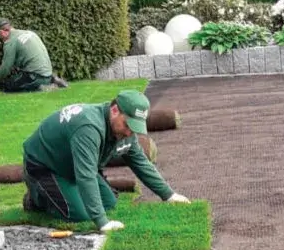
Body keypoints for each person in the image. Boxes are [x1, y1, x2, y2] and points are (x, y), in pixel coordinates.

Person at [21, 90, 190, 232]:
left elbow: (141, 163)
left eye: (135, 127)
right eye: (127, 125)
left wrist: (169, 195)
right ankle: (36, 198)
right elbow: (86, 175)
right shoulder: (89, 127)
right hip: (45, 166)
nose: (130, 132)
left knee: (109, 202)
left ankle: (66, 191)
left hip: (73, 165)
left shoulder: (125, 132)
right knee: (81, 215)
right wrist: (102, 222)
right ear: (115, 110)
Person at [0, 18, 68, 92]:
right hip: (48, 73)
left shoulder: (10, 42)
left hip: (35, 77)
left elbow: (6, 67)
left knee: (8, 86)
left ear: (1, 32)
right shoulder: (29, 32)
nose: (0, 38)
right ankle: (52, 79)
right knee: (22, 76)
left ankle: (43, 87)